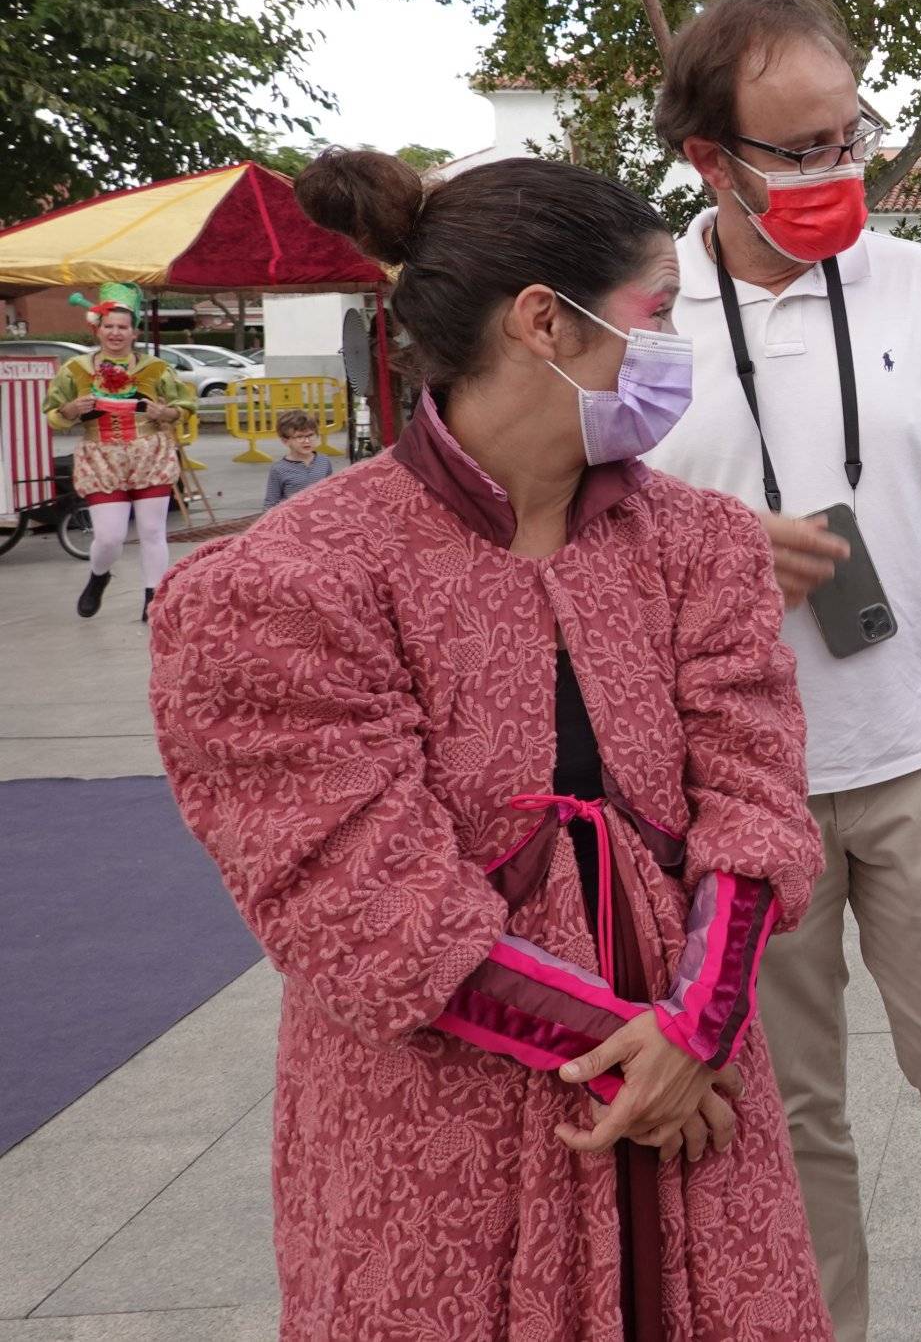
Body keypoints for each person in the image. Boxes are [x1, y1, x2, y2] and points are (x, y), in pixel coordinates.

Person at [147, 150, 830, 1341]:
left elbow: (756, 794)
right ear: (542, 324)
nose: (675, 351)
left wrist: (697, 1027)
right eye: (656, 313)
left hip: (698, 1083)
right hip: (446, 1111)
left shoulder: (705, 547)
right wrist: (636, 1064)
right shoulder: (287, 584)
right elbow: (358, 896)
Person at [644, 0, 921, 1342]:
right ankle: (817, 1317)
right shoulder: (641, 316)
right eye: (804, 148)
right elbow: (566, 549)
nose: (845, 169)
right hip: (736, 783)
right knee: (788, 1093)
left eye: (852, 133)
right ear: (710, 159)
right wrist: (706, 555)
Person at [43, 282, 193, 621]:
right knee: (110, 538)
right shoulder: (76, 370)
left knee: (152, 531)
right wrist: (71, 410)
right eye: (108, 326)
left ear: (134, 331)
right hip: (101, 457)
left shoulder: (156, 368)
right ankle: (98, 576)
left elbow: (186, 404)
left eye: (122, 327)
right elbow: (52, 414)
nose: (115, 333)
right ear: (96, 328)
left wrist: (163, 413)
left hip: (149, 454)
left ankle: (153, 598)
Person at [262, 408, 337, 508]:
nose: (306, 441)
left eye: (310, 435)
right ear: (285, 441)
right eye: (299, 437)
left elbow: (331, 492)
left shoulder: (324, 461)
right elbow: (271, 503)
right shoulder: (279, 469)